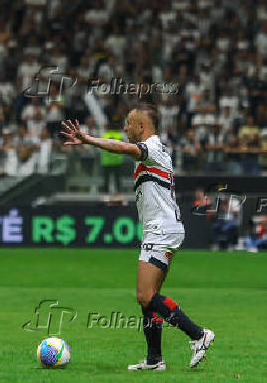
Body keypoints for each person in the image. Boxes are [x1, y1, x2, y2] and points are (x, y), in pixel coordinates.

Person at [60, 103, 215, 371]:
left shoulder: (152, 146)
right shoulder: (157, 150)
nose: (125, 128)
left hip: (161, 230)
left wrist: (88, 139)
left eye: (129, 123)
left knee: (145, 295)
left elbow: (122, 148)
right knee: (151, 296)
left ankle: (198, 334)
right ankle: (155, 360)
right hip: (164, 228)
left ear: (142, 127)